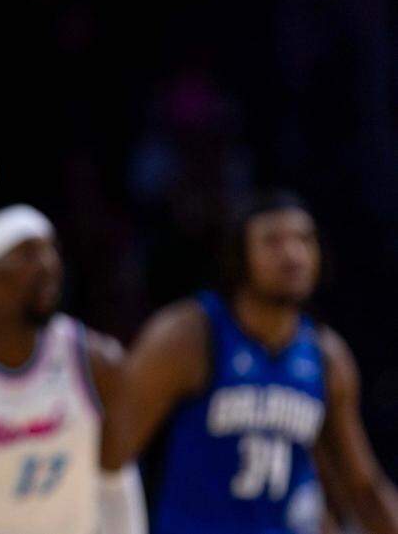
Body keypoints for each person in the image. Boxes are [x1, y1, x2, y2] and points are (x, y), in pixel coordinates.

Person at [106, 191, 398, 534]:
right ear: (240, 255)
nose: (292, 254)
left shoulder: (327, 355)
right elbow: (113, 451)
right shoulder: (189, 336)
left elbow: (362, 487)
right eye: (273, 241)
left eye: (304, 240)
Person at [0, 204, 146, 534]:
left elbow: (117, 485)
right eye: (28, 254)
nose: (48, 265)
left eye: (51, 251)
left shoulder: (97, 361)